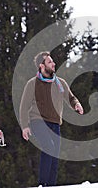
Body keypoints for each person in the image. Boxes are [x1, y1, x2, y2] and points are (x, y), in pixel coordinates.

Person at [20, 51, 84, 187]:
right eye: (49, 62)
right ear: (41, 66)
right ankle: (42, 184)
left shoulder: (60, 83)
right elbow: (24, 106)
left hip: (55, 122)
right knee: (48, 146)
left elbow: (71, 97)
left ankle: (51, 185)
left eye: (52, 61)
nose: (53, 63)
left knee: (55, 156)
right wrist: (25, 125)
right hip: (38, 121)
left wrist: (76, 104)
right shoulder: (33, 84)